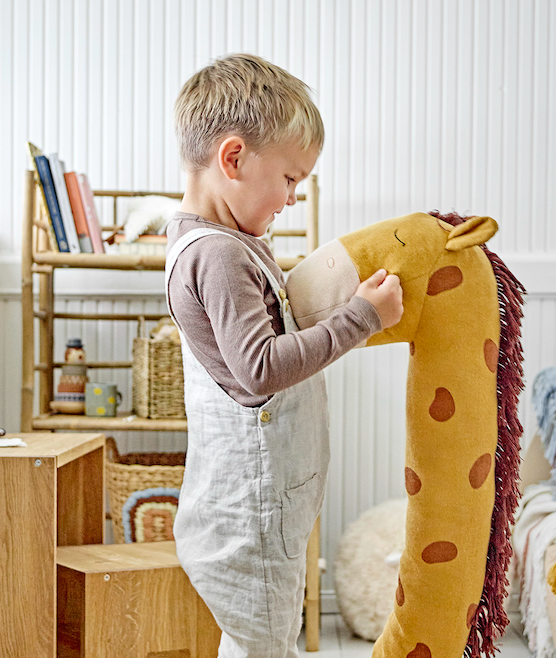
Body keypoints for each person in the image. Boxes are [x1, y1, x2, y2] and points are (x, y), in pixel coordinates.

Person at [165, 53, 403, 658]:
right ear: (235, 159)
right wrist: (362, 319)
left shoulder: (229, 242)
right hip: (251, 509)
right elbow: (261, 368)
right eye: (292, 178)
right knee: (264, 643)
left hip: (258, 501)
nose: (294, 197)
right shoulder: (218, 255)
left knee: (259, 641)